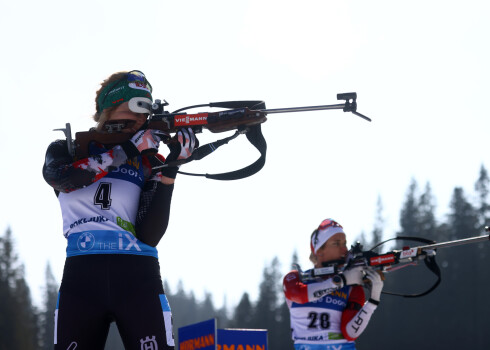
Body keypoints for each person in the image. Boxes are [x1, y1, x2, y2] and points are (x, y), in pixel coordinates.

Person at [43, 70, 198, 349]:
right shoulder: (67, 149)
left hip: (138, 275)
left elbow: (149, 234)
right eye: (136, 107)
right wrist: (128, 149)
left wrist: (171, 169)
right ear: (109, 108)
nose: (142, 118)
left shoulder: (149, 159)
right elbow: (63, 179)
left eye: (147, 111)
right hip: (82, 277)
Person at [283, 218, 384, 350]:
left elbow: (350, 333)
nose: (345, 249)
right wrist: (339, 281)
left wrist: (373, 302)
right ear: (319, 251)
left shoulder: (352, 286)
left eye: (345, 243)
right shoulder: (296, 278)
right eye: (337, 244)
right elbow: (299, 294)